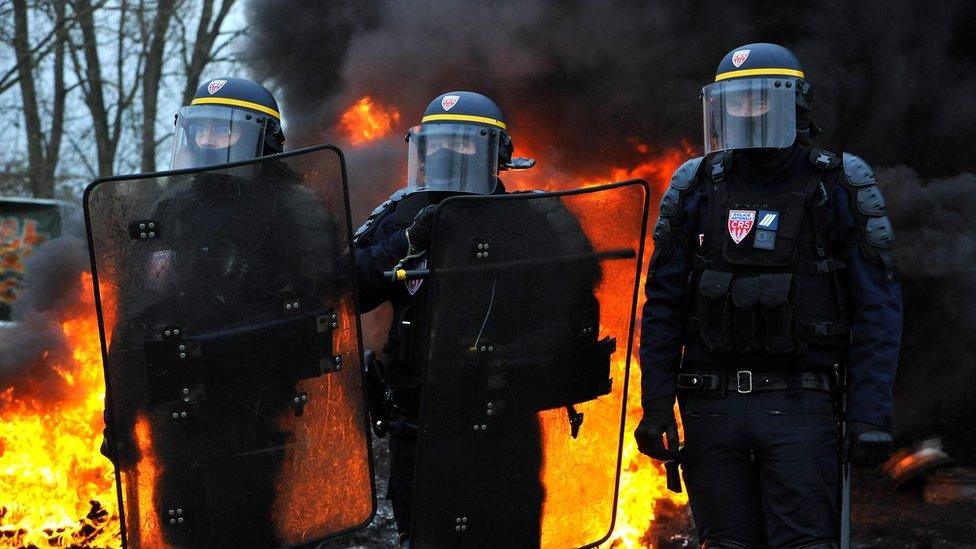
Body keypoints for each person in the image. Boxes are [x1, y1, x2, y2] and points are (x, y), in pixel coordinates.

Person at [635, 43, 902, 548]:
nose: (747, 112)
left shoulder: (839, 185)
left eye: (761, 100)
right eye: (734, 102)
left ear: (796, 105)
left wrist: (869, 413)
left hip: (803, 405)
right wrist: (656, 406)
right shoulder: (696, 186)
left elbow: (878, 308)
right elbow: (664, 306)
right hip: (711, 406)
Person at [99, 77, 342, 547]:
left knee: (242, 527)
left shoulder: (292, 208)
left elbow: (313, 305)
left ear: (263, 140)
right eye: (202, 130)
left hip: (248, 414)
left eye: (225, 131)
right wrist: (119, 414)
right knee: (178, 526)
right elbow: (134, 318)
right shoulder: (172, 209)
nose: (210, 142)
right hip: (174, 411)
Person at [354, 91, 588, 546]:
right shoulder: (401, 213)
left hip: (503, 428)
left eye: (463, 144)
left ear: (496, 155)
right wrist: (404, 243)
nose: (447, 154)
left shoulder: (534, 222)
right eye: (437, 142)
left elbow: (575, 314)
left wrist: (508, 360)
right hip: (418, 429)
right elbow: (344, 290)